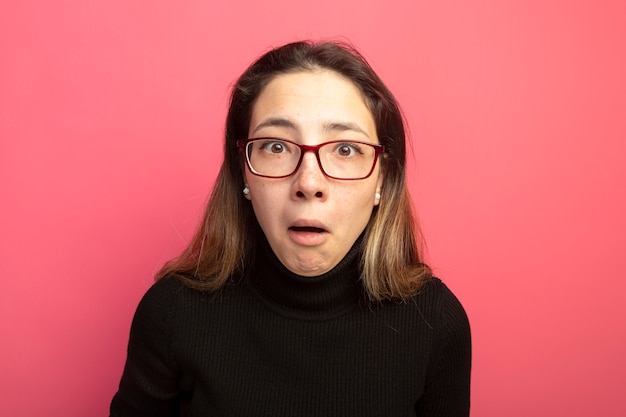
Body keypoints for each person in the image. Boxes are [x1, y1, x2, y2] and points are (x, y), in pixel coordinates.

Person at [110, 40, 471, 417]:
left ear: (382, 178)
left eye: (346, 149)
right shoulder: (171, 315)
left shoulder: (437, 324)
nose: (309, 182)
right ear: (243, 172)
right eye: (277, 147)